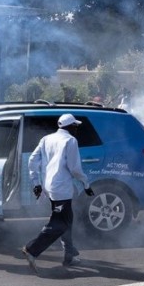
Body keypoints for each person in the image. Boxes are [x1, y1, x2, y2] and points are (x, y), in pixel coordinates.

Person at [22, 114, 95, 273]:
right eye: (75, 126)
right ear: (70, 126)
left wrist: (36, 183)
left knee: (67, 220)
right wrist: (86, 183)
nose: (76, 128)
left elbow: (32, 161)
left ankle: (70, 254)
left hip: (49, 186)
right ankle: (32, 249)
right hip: (61, 188)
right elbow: (74, 168)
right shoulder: (70, 141)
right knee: (60, 223)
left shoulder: (46, 139)